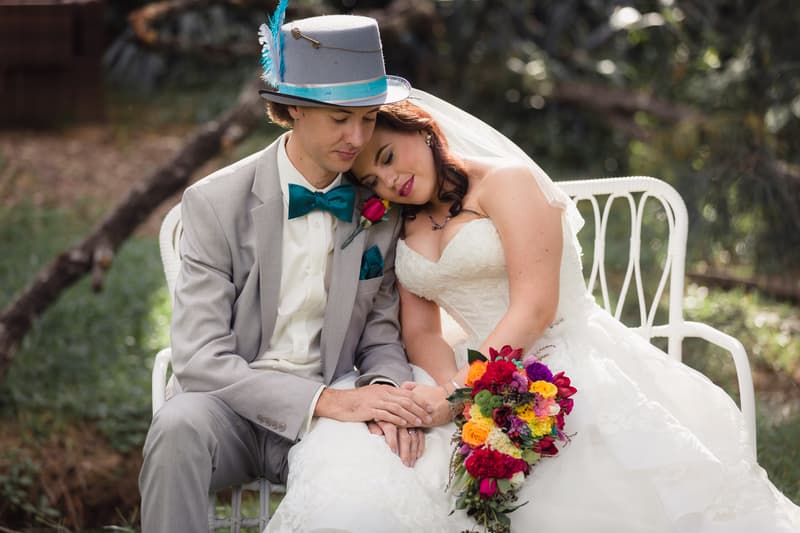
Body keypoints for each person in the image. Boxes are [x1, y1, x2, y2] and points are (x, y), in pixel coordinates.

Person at [268, 89, 800, 532]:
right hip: (463, 367)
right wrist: (443, 383)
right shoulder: (404, 222)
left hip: (554, 358)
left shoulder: (507, 182)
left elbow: (535, 306)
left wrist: (461, 398)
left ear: (421, 128)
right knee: (373, 459)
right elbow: (419, 327)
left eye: (387, 158)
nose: (390, 183)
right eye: (375, 183)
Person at [138, 12, 436, 532]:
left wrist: (388, 392)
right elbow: (200, 358)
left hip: (337, 409)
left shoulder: (380, 209)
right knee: (176, 426)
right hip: (231, 408)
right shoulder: (215, 203)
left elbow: (381, 335)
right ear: (293, 110)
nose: (356, 135)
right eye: (339, 118)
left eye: (367, 118)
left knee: (384, 481)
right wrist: (327, 402)